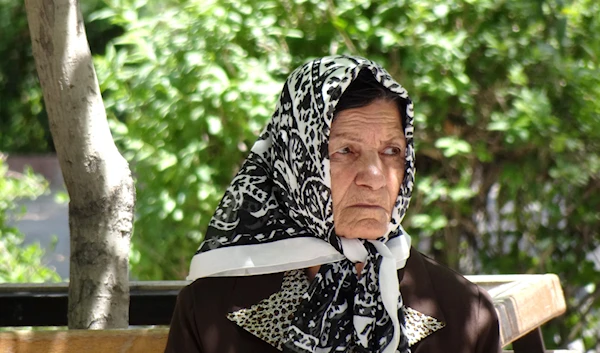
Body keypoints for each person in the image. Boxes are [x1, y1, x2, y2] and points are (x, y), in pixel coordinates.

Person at [164, 55, 501, 353]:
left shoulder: (464, 313)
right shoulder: (210, 310)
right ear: (297, 162)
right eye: (344, 151)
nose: (374, 175)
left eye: (391, 152)